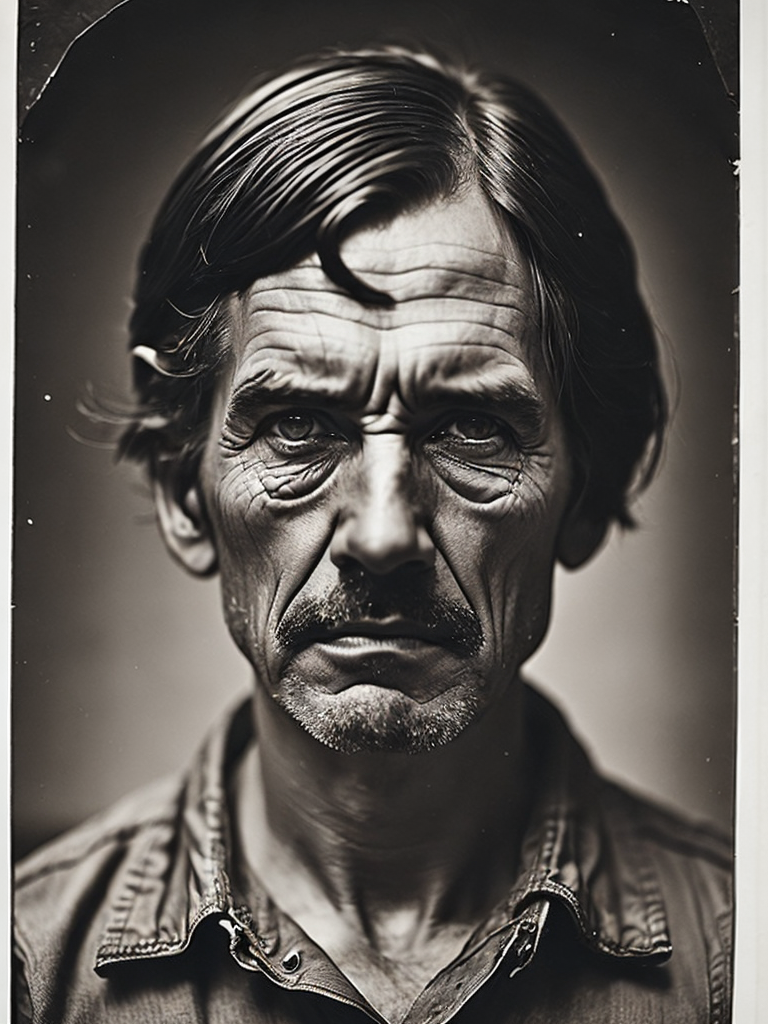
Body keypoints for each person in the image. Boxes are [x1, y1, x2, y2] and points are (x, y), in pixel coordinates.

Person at [13, 46, 732, 1024]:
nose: (384, 532)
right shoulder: (26, 973)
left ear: (589, 493)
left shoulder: (738, 962)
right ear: (185, 490)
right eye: (299, 427)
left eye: (472, 428)